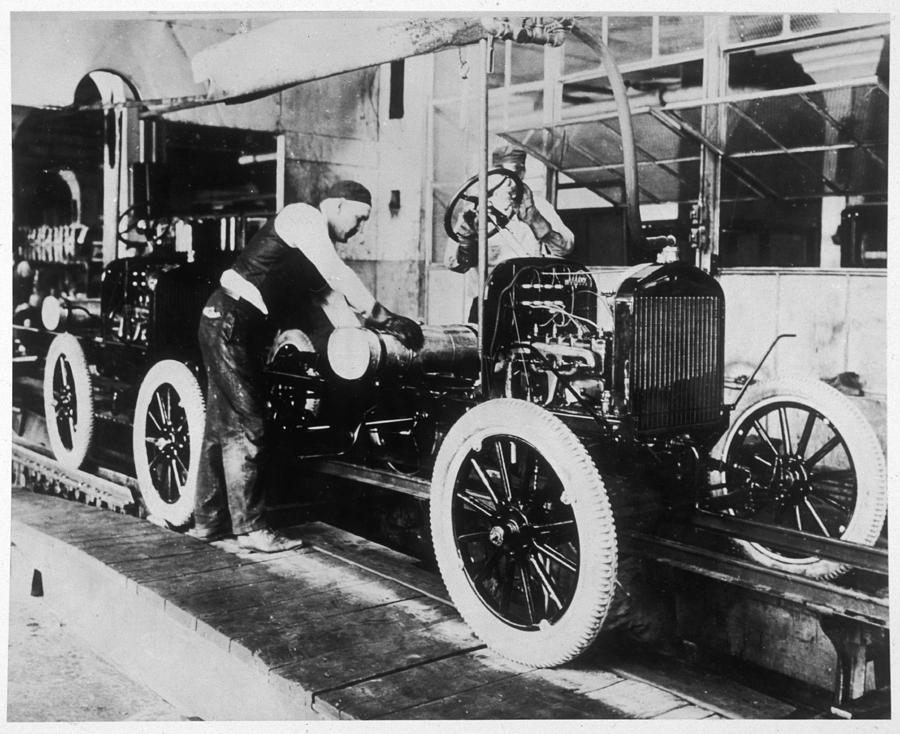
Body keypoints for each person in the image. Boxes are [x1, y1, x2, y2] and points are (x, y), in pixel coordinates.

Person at [193, 180, 423, 552]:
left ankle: (208, 522)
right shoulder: (303, 217)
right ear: (338, 204)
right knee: (248, 424)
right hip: (230, 322)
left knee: (220, 427)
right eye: (359, 218)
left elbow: (334, 303)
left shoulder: (309, 245)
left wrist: (373, 343)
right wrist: (383, 316)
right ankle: (251, 530)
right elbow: (337, 273)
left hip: (226, 322)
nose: (359, 229)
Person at [444, 145, 574, 320]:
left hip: (532, 301)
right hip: (488, 305)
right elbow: (455, 265)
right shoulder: (475, 210)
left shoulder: (540, 206)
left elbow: (565, 248)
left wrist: (535, 219)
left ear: (523, 172)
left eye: (518, 170)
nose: (511, 181)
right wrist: (467, 240)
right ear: (493, 173)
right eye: (504, 172)